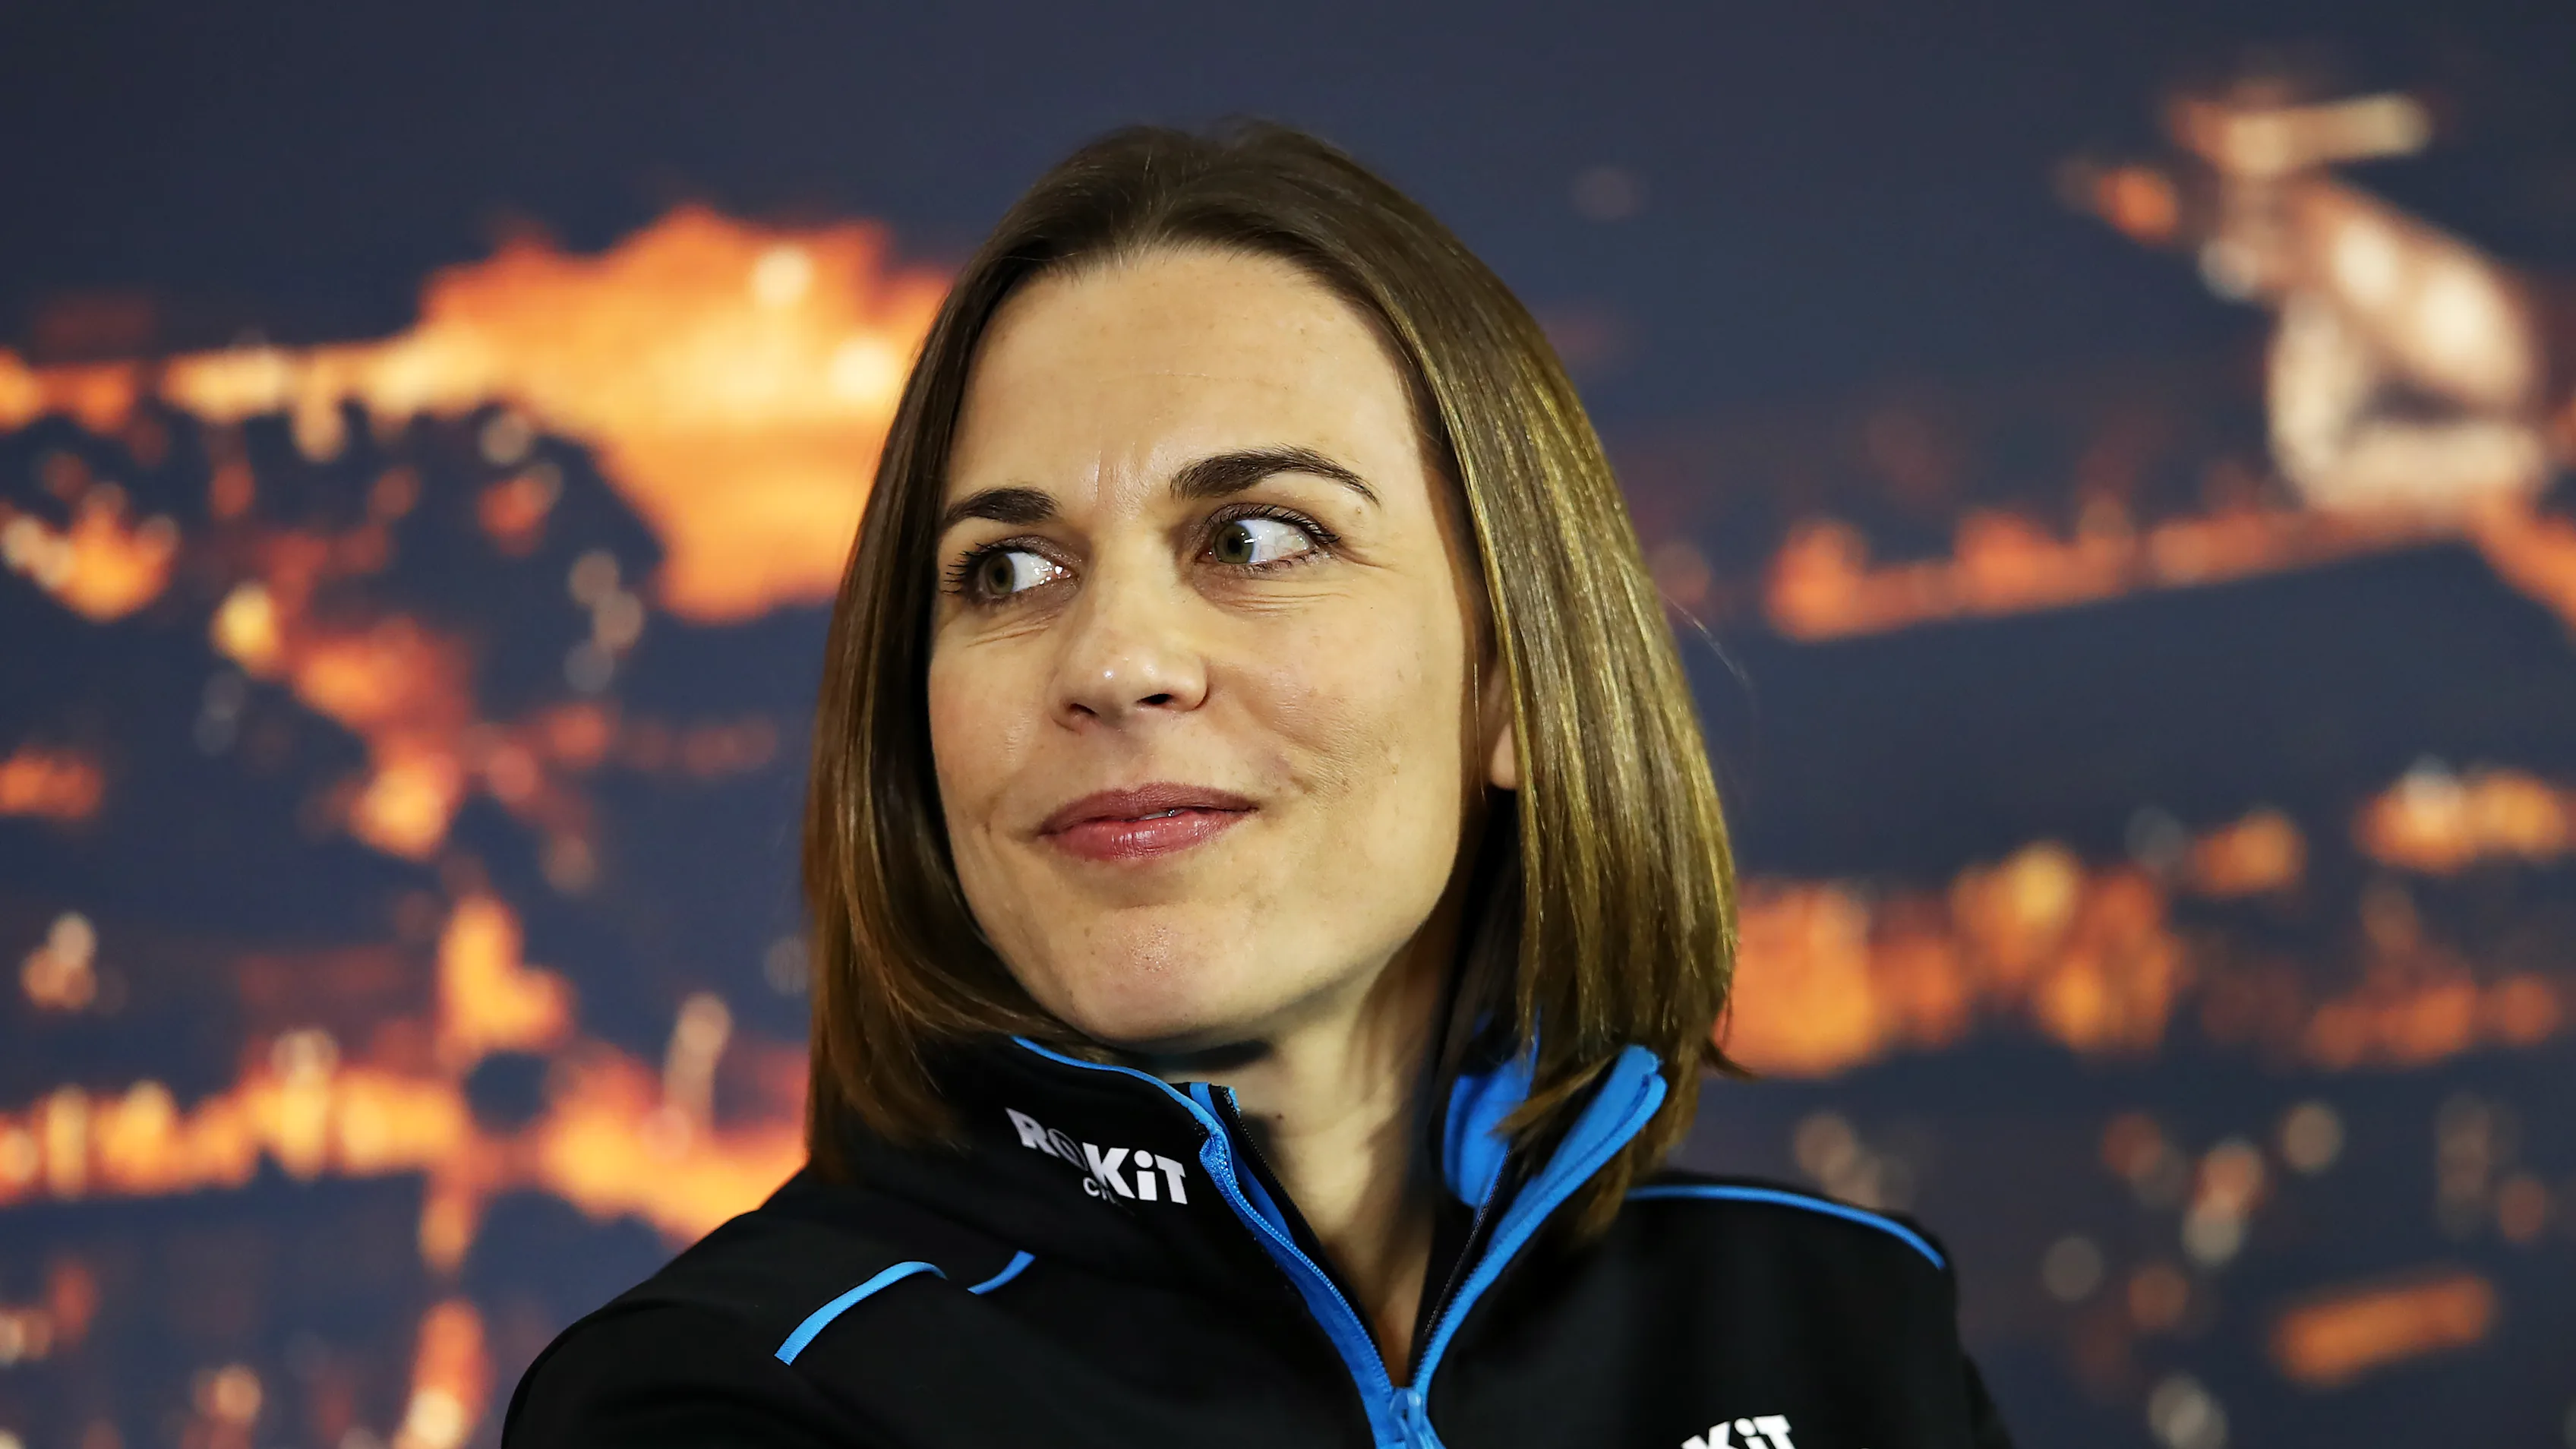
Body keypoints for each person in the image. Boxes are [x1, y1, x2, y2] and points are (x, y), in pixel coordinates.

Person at [505, 121, 2012, 1449]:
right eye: (1008, 571)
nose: (1116, 660)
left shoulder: (1841, 1327)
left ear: (1514, 685)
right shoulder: (732, 1397)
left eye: (1254, 540)